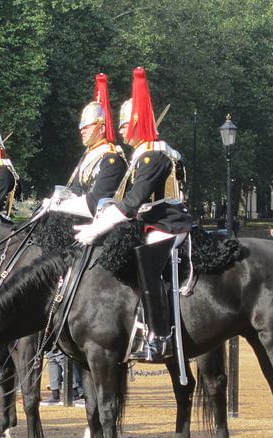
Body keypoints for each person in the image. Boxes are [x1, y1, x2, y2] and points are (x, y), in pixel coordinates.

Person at [75, 67, 192, 362]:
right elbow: (122, 201)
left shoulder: (154, 155)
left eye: (127, 124)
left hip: (167, 221)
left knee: (147, 259)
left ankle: (159, 334)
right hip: (152, 221)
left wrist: (97, 227)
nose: (123, 129)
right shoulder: (143, 153)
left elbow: (133, 202)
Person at [62, 73, 128, 216]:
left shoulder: (111, 159)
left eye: (87, 127)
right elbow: (76, 190)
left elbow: (98, 199)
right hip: (79, 215)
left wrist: (63, 206)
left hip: (98, 218)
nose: (82, 131)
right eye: (81, 127)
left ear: (101, 128)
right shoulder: (88, 156)